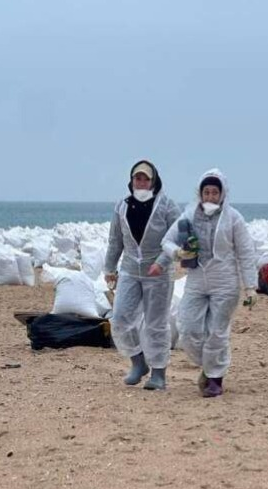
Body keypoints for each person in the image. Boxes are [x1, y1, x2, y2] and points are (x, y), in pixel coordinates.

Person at [163, 169, 258, 398]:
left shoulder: (234, 218)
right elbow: (166, 241)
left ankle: (215, 378)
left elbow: (246, 252)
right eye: (207, 192)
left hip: (225, 282)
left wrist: (251, 286)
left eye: (215, 192)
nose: (211, 197)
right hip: (196, 280)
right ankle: (207, 365)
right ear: (200, 193)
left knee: (217, 332)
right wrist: (178, 253)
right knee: (187, 328)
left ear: (222, 194)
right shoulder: (188, 216)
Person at [103, 160, 182, 390]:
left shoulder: (167, 206)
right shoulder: (122, 206)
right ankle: (138, 363)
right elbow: (115, 240)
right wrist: (110, 269)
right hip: (129, 270)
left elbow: (176, 239)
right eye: (137, 178)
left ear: (153, 181)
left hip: (157, 272)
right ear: (131, 181)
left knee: (156, 324)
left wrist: (162, 262)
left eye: (146, 178)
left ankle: (158, 373)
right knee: (120, 318)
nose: (141, 182)